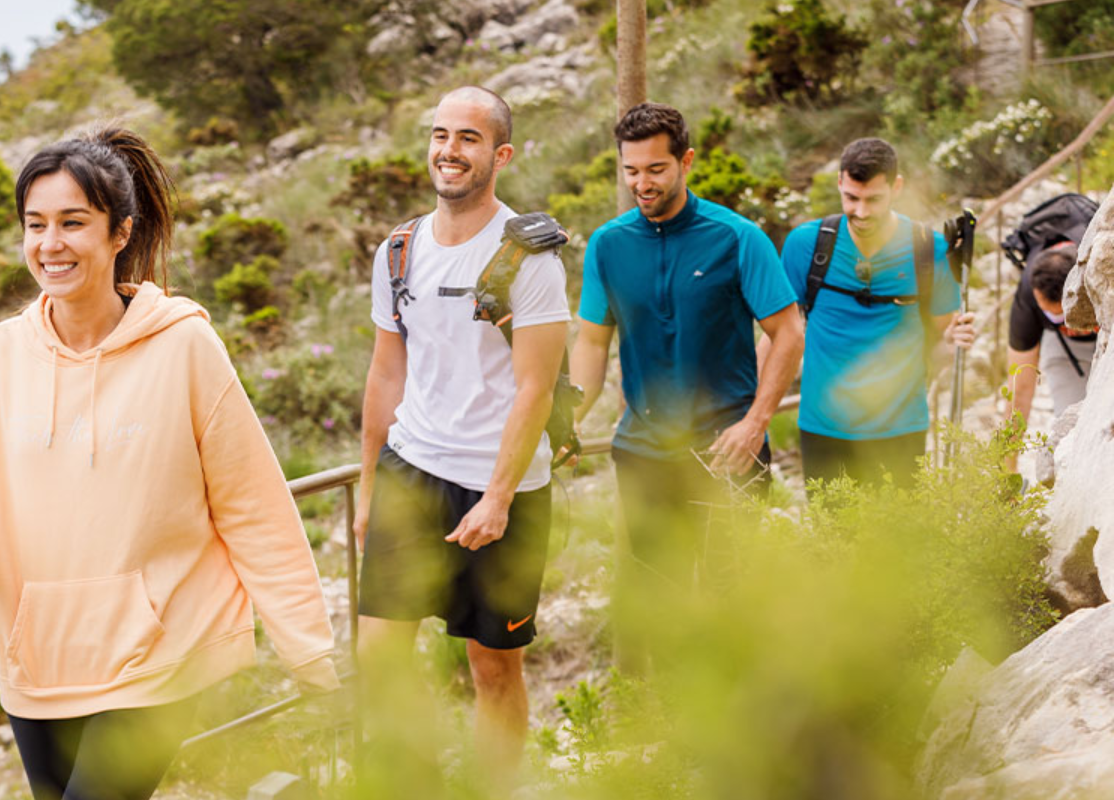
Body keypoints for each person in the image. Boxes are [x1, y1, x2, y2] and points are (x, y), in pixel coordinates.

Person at [0, 129, 339, 800]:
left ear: (120, 233)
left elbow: (252, 504)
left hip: (158, 656)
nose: (50, 243)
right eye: (36, 224)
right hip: (39, 663)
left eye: (72, 222)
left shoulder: (184, 347)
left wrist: (307, 647)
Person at [352, 87, 569, 785]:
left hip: (500, 487)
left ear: (500, 156)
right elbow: (386, 373)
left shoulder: (528, 258)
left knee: (492, 667)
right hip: (411, 469)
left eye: (468, 138)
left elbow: (535, 388)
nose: (449, 150)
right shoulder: (398, 251)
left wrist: (498, 497)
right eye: (440, 134)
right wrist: (368, 487)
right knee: (378, 655)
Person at [570, 101, 804, 591]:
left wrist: (756, 423)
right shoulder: (607, 245)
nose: (642, 183)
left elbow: (788, 333)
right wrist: (569, 421)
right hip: (643, 455)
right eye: (631, 171)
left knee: (734, 598)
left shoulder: (738, 238)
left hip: (728, 451)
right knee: (661, 603)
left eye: (656, 169)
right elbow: (592, 342)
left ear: (686, 161)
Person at [780, 137, 976, 488]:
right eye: (851, 198)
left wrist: (953, 341)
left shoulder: (928, 251)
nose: (862, 211)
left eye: (873, 199)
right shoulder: (804, 245)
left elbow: (940, 347)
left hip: (901, 431)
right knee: (829, 526)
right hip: (824, 431)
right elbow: (780, 334)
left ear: (896, 187)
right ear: (839, 183)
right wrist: (753, 411)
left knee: (898, 526)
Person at [1007, 242, 1095, 429]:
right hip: (1065, 348)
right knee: (1070, 426)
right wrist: (1006, 446)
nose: (1060, 321)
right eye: (1051, 315)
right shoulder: (1027, 300)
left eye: (1063, 315)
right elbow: (1020, 387)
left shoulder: (1101, 272)